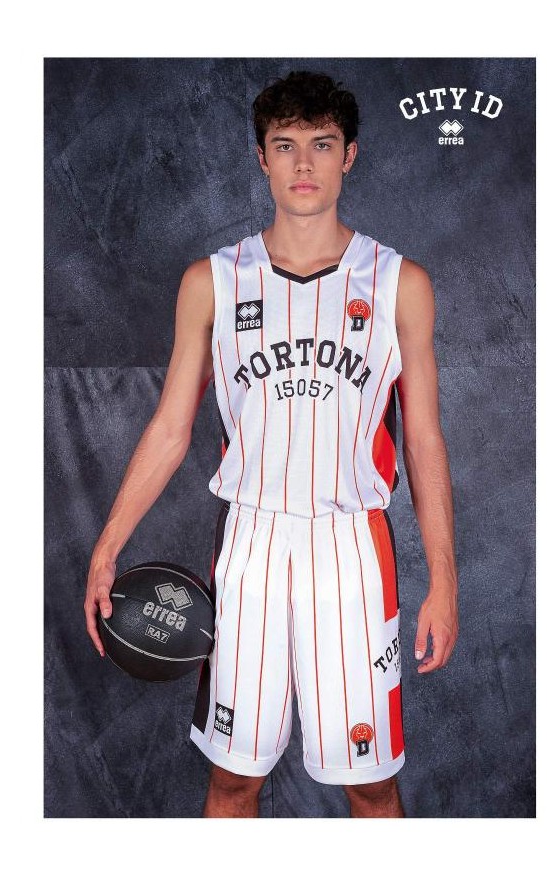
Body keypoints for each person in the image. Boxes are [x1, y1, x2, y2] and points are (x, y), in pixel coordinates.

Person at [84, 70, 459, 818]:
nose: (304, 164)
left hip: (351, 549)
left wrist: (444, 578)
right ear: (261, 158)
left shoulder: (400, 283)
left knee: (371, 784)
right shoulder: (213, 282)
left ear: (349, 155)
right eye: (285, 146)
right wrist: (106, 547)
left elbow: (422, 440)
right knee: (232, 780)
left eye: (322, 144)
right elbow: (170, 427)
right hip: (249, 547)